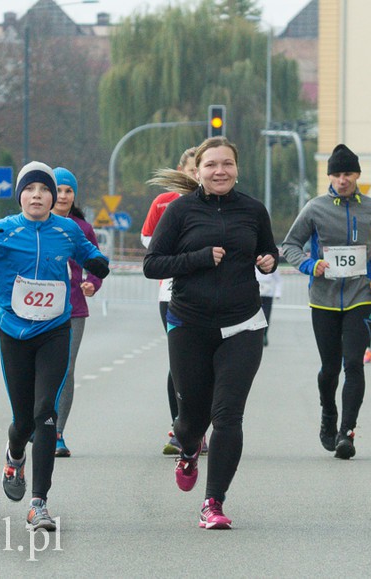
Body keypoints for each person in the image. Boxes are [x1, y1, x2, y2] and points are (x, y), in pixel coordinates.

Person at [0, 161, 110, 531]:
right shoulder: (1, 231)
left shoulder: (65, 229)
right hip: (14, 332)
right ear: (20, 196)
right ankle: (15, 455)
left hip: (55, 329)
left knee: (45, 411)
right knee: (22, 421)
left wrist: (97, 264)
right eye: (30, 190)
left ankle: (39, 503)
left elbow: (87, 252)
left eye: (45, 190)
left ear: (53, 197)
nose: (38, 195)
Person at [142, 136, 278, 529]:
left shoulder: (253, 210)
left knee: (229, 416)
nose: (220, 171)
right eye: (212, 165)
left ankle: (213, 503)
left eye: (227, 164)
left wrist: (268, 262)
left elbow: (267, 253)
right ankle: (188, 450)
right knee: (192, 419)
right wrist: (199, 258)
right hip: (190, 324)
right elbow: (153, 264)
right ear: (198, 171)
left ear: (237, 168)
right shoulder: (181, 211)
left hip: (243, 324)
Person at [282, 144, 371, 459]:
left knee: (354, 364)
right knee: (330, 369)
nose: (342, 179)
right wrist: (310, 264)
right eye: (336, 174)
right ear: (329, 176)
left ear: (357, 175)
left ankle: (347, 432)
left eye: (348, 173)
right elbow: (290, 244)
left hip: (361, 297)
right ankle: (328, 413)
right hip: (323, 299)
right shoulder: (315, 208)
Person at [140, 147, 204, 456]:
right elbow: (148, 241)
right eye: (191, 170)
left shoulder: (219, 204)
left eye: (200, 169)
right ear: (181, 171)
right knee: (180, 363)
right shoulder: (164, 203)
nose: (196, 175)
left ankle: (200, 426)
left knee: (207, 367)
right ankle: (180, 426)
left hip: (211, 295)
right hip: (172, 294)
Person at [50, 167, 104, 458]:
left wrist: (92, 283)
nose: (63, 196)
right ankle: (38, 423)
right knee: (39, 369)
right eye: (57, 189)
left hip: (74, 309)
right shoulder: (36, 224)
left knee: (66, 369)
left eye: (68, 191)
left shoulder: (82, 228)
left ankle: (58, 432)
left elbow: (97, 263)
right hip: (40, 309)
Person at [255, 266, 282, 346]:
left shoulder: (270, 263)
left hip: (267, 293)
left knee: (266, 315)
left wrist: (278, 292)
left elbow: (278, 280)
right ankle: (255, 336)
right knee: (255, 316)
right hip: (255, 292)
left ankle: (264, 335)